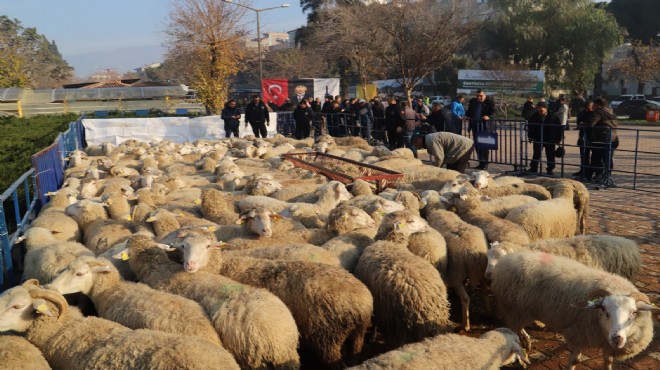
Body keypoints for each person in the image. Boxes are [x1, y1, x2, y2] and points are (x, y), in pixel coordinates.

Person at [584, 98, 619, 183]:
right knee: (607, 159)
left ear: (598, 105)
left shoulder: (599, 112)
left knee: (596, 159)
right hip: (613, 139)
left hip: (602, 139)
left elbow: (591, 123)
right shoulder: (611, 112)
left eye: (594, 105)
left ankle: (595, 177)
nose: (593, 107)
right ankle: (606, 177)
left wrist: (584, 125)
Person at [526, 101, 562, 175]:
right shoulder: (534, 116)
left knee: (550, 155)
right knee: (536, 154)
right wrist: (530, 137)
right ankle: (533, 168)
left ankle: (550, 169)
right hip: (538, 138)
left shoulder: (553, 117)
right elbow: (530, 127)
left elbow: (559, 129)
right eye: (538, 109)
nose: (539, 110)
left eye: (541, 109)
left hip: (550, 138)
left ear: (546, 109)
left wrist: (559, 138)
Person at [466, 89, 495, 170]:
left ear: (485, 95)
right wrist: (466, 115)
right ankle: (481, 162)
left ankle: (485, 164)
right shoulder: (473, 101)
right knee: (478, 145)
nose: (479, 97)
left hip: (485, 127)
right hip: (475, 126)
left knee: (484, 145)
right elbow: (469, 111)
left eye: (481, 96)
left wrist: (489, 116)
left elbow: (494, 111)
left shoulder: (490, 102)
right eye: (477, 96)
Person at [573, 100, 594, 179]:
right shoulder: (581, 113)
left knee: (595, 157)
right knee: (584, 155)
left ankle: (593, 172)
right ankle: (583, 170)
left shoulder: (595, 113)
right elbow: (578, 122)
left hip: (593, 137)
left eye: (590, 108)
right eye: (587, 108)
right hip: (583, 136)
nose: (589, 110)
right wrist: (580, 124)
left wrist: (586, 124)